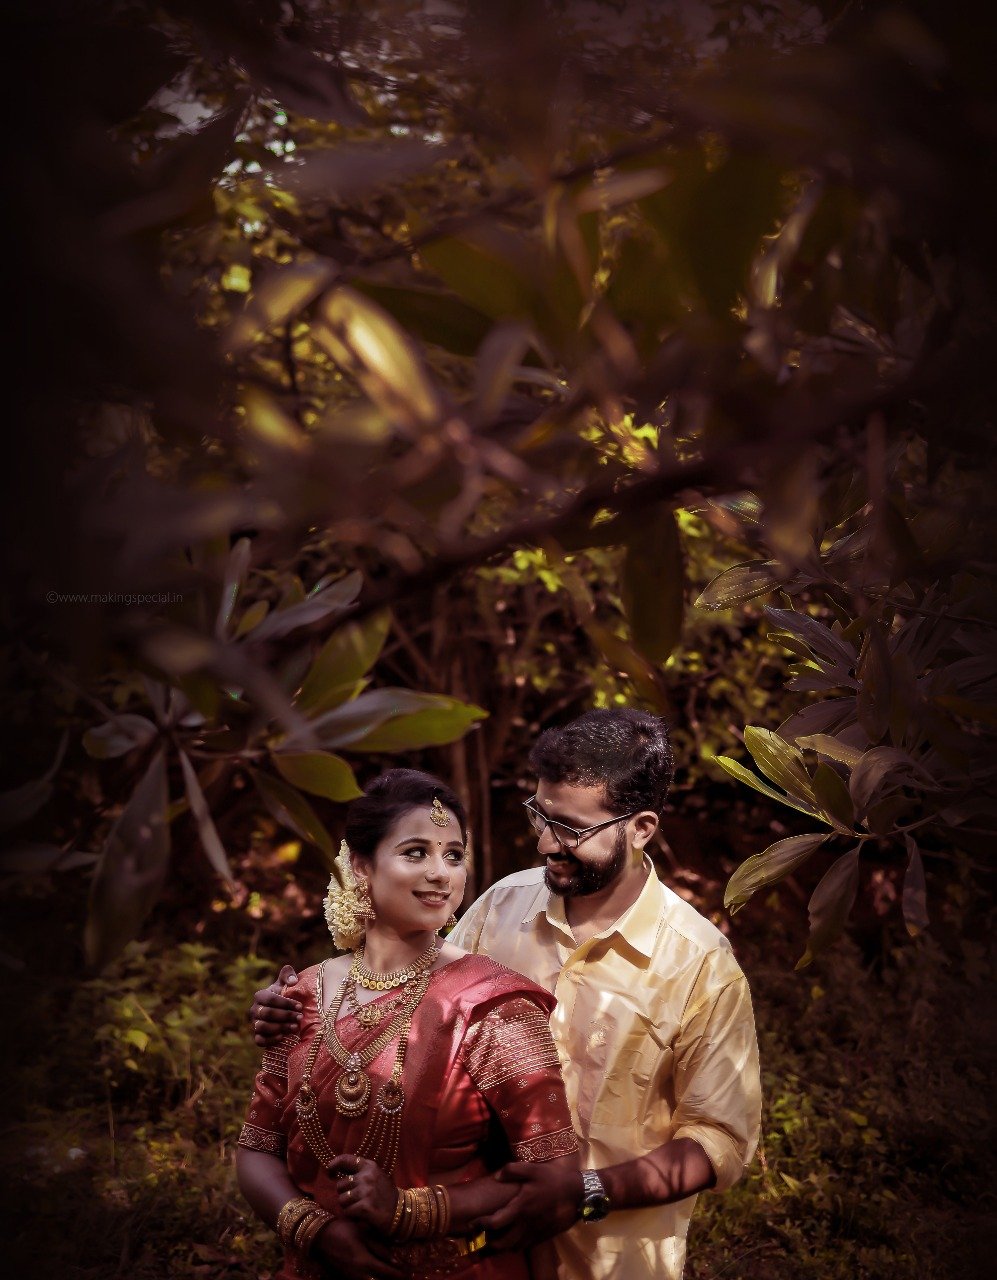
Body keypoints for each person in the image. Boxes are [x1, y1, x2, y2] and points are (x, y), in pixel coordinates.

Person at [251, 710, 761, 1280]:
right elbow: (409, 1000)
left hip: (612, 1257)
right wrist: (298, 1011)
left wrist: (585, 1190)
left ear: (640, 829)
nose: (544, 842)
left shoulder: (699, 963)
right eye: (539, 815)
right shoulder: (502, 906)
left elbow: (719, 1138)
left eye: (570, 828)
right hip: (479, 1247)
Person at [237, 768, 580, 1280]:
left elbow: (555, 1176)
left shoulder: (490, 1003)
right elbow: (256, 1148)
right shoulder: (301, 996)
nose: (441, 874)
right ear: (360, 865)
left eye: (454, 856)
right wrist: (317, 1232)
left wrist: (405, 1210)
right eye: (415, 852)